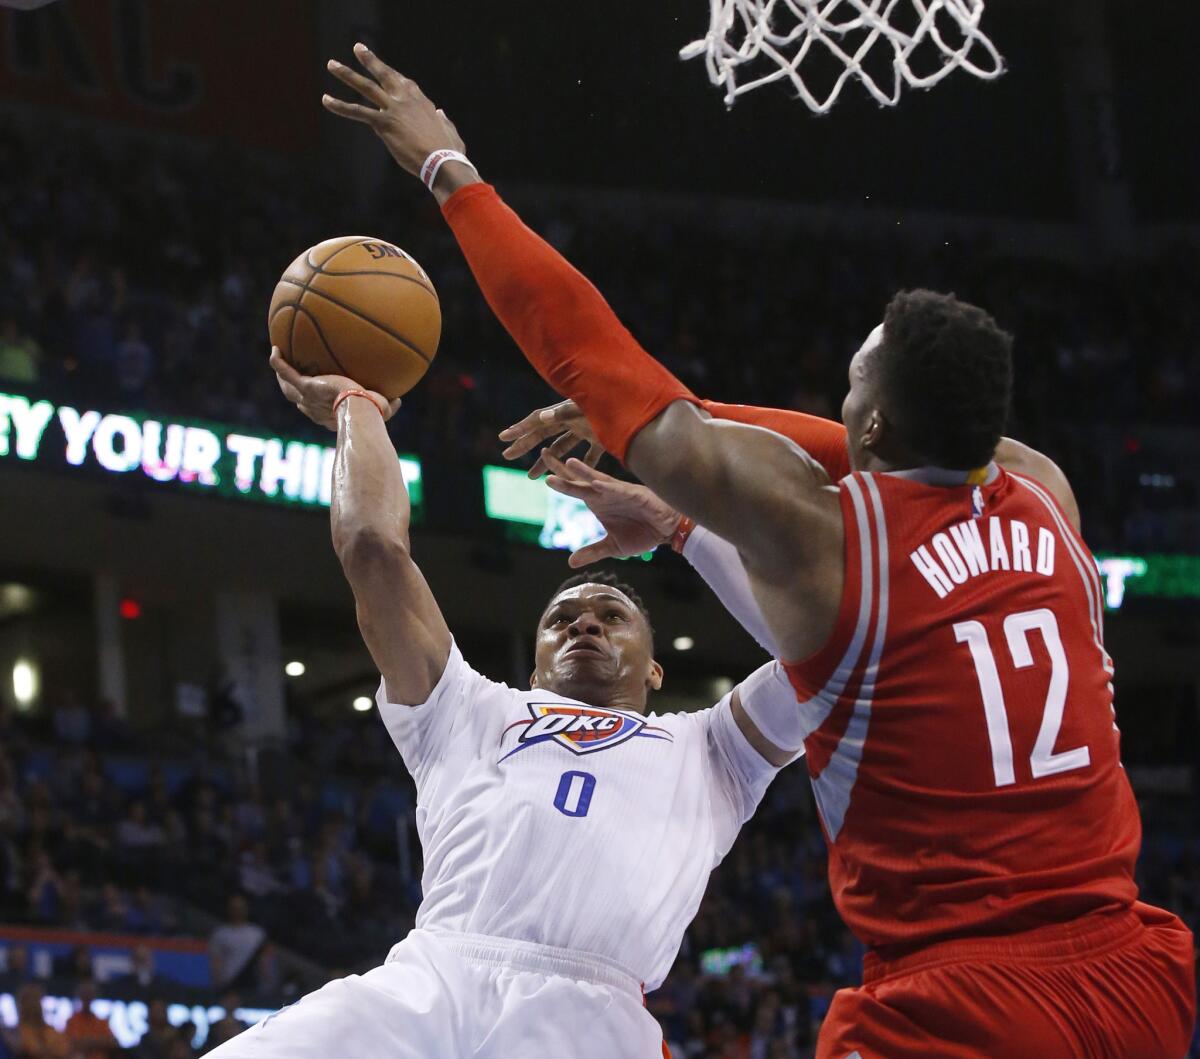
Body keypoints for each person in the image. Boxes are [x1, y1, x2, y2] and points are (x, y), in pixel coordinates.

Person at [321, 44, 1196, 1056]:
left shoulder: (832, 543)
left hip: (966, 997)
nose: (840, 406)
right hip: (1134, 976)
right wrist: (683, 461)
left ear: (871, 431)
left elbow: (596, 353)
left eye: (854, 389)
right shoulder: (1046, 497)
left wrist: (448, 170)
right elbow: (912, 441)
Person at [207, 330, 803, 1059]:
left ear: (655, 670)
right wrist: (357, 407)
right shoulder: (468, 708)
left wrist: (680, 527)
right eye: (562, 618)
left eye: (612, 615)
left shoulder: (714, 749)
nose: (584, 620)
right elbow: (372, 547)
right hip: (433, 983)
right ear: (533, 665)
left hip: (591, 1023)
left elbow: (827, 652)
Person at [63, 980, 118, 1059]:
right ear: (80, 996)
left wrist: (88, 1042)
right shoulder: (72, 1021)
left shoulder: (101, 1022)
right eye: (85, 995)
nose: (87, 998)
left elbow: (112, 1043)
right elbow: (69, 1044)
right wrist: (97, 1041)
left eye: (89, 995)